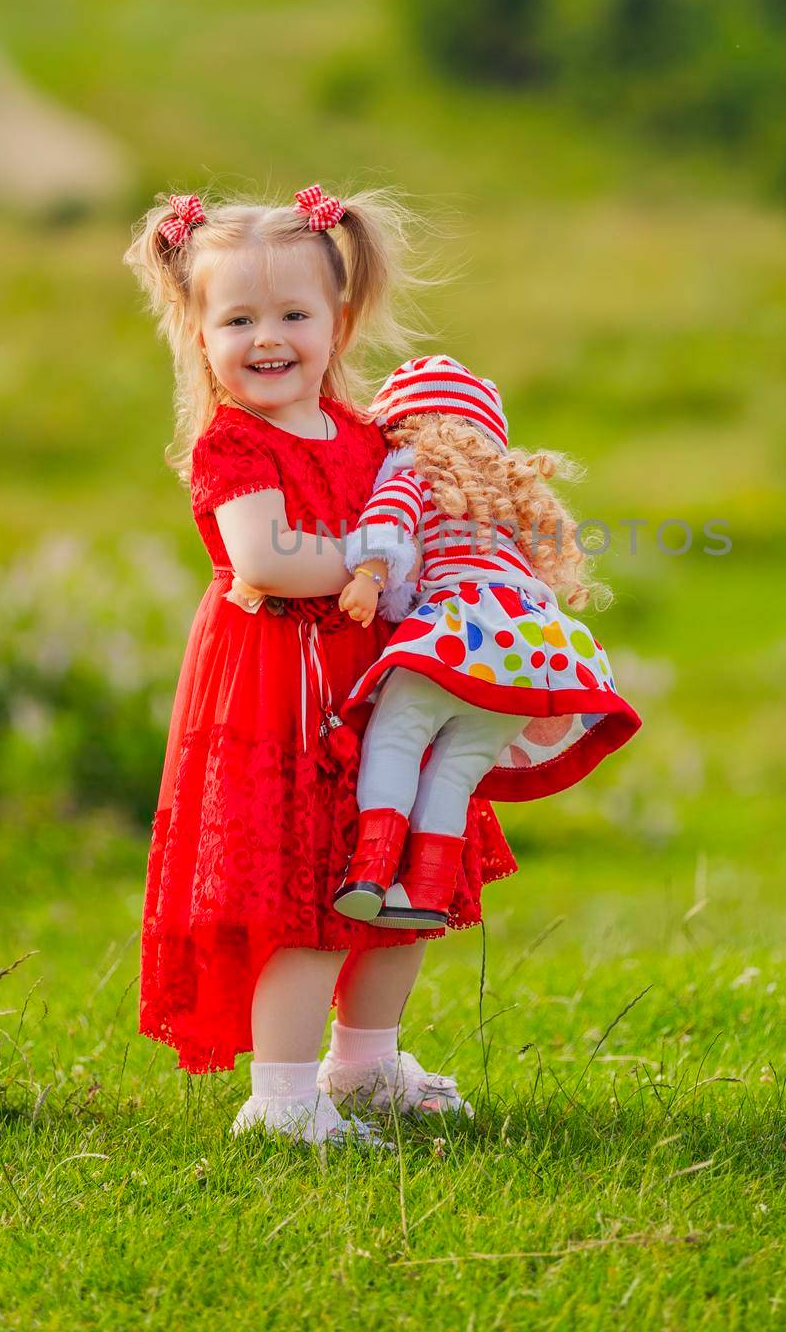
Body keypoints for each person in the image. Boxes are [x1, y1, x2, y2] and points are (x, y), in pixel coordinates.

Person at [126, 185, 509, 1144]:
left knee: (398, 882)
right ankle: (284, 1095)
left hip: (378, 683)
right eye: (239, 318)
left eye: (293, 314)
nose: (269, 337)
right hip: (281, 691)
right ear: (198, 331)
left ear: (338, 322)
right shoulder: (233, 444)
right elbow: (264, 559)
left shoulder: (367, 434)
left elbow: (432, 512)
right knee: (304, 891)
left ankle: (366, 1062)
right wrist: (381, 560)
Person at [332, 354, 642, 930]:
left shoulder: (412, 473)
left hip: (455, 635)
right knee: (458, 769)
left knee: (397, 739)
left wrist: (369, 578)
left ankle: (371, 870)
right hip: (530, 651)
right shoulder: (508, 497)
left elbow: (388, 522)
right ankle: (425, 891)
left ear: (406, 427)